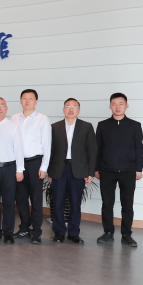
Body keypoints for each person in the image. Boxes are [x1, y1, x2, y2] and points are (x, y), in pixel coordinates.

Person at [95, 93, 143, 247]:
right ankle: (108, 232)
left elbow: (139, 148)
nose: (117, 107)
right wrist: (96, 168)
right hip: (107, 171)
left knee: (127, 205)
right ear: (110, 106)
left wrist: (139, 168)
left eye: (121, 103)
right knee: (107, 204)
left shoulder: (135, 126)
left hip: (129, 170)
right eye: (114, 104)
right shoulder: (102, 125)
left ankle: (126, 234)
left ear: (126, 105)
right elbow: (98, 149)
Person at [49, 98, 96, 245]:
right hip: (59, 170)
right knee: (58, 203)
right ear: (63, 109)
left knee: (75, 204)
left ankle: (74, 233)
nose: (71, 109)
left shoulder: (86, 127)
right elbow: (50, 150)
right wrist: (50, 172)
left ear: (78, 111)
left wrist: (90, 172)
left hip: (78, 170)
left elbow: (92, 150)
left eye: (74, 107)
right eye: (68, 106)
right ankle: (59, 233)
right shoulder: (54, 127)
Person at [11, 89, 51, 245]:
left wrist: (44, 166)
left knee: (35, 199)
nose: (27, 101)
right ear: (20, 100)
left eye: (31, 98)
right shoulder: (14, 118)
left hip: (35, 163)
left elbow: (47, 144)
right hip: (18, 164)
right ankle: (24, 228)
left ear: (36, 101)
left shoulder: (42, 119)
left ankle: (36, 231)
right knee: (21, 198)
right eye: (24, 98)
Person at [0, 97, 24, 244]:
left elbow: (19, 149)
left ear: (6, 108)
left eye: (2, 105)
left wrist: (19, 170)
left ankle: (8, 232)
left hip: (9, 168)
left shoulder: (13, 126)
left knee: (9, 202)